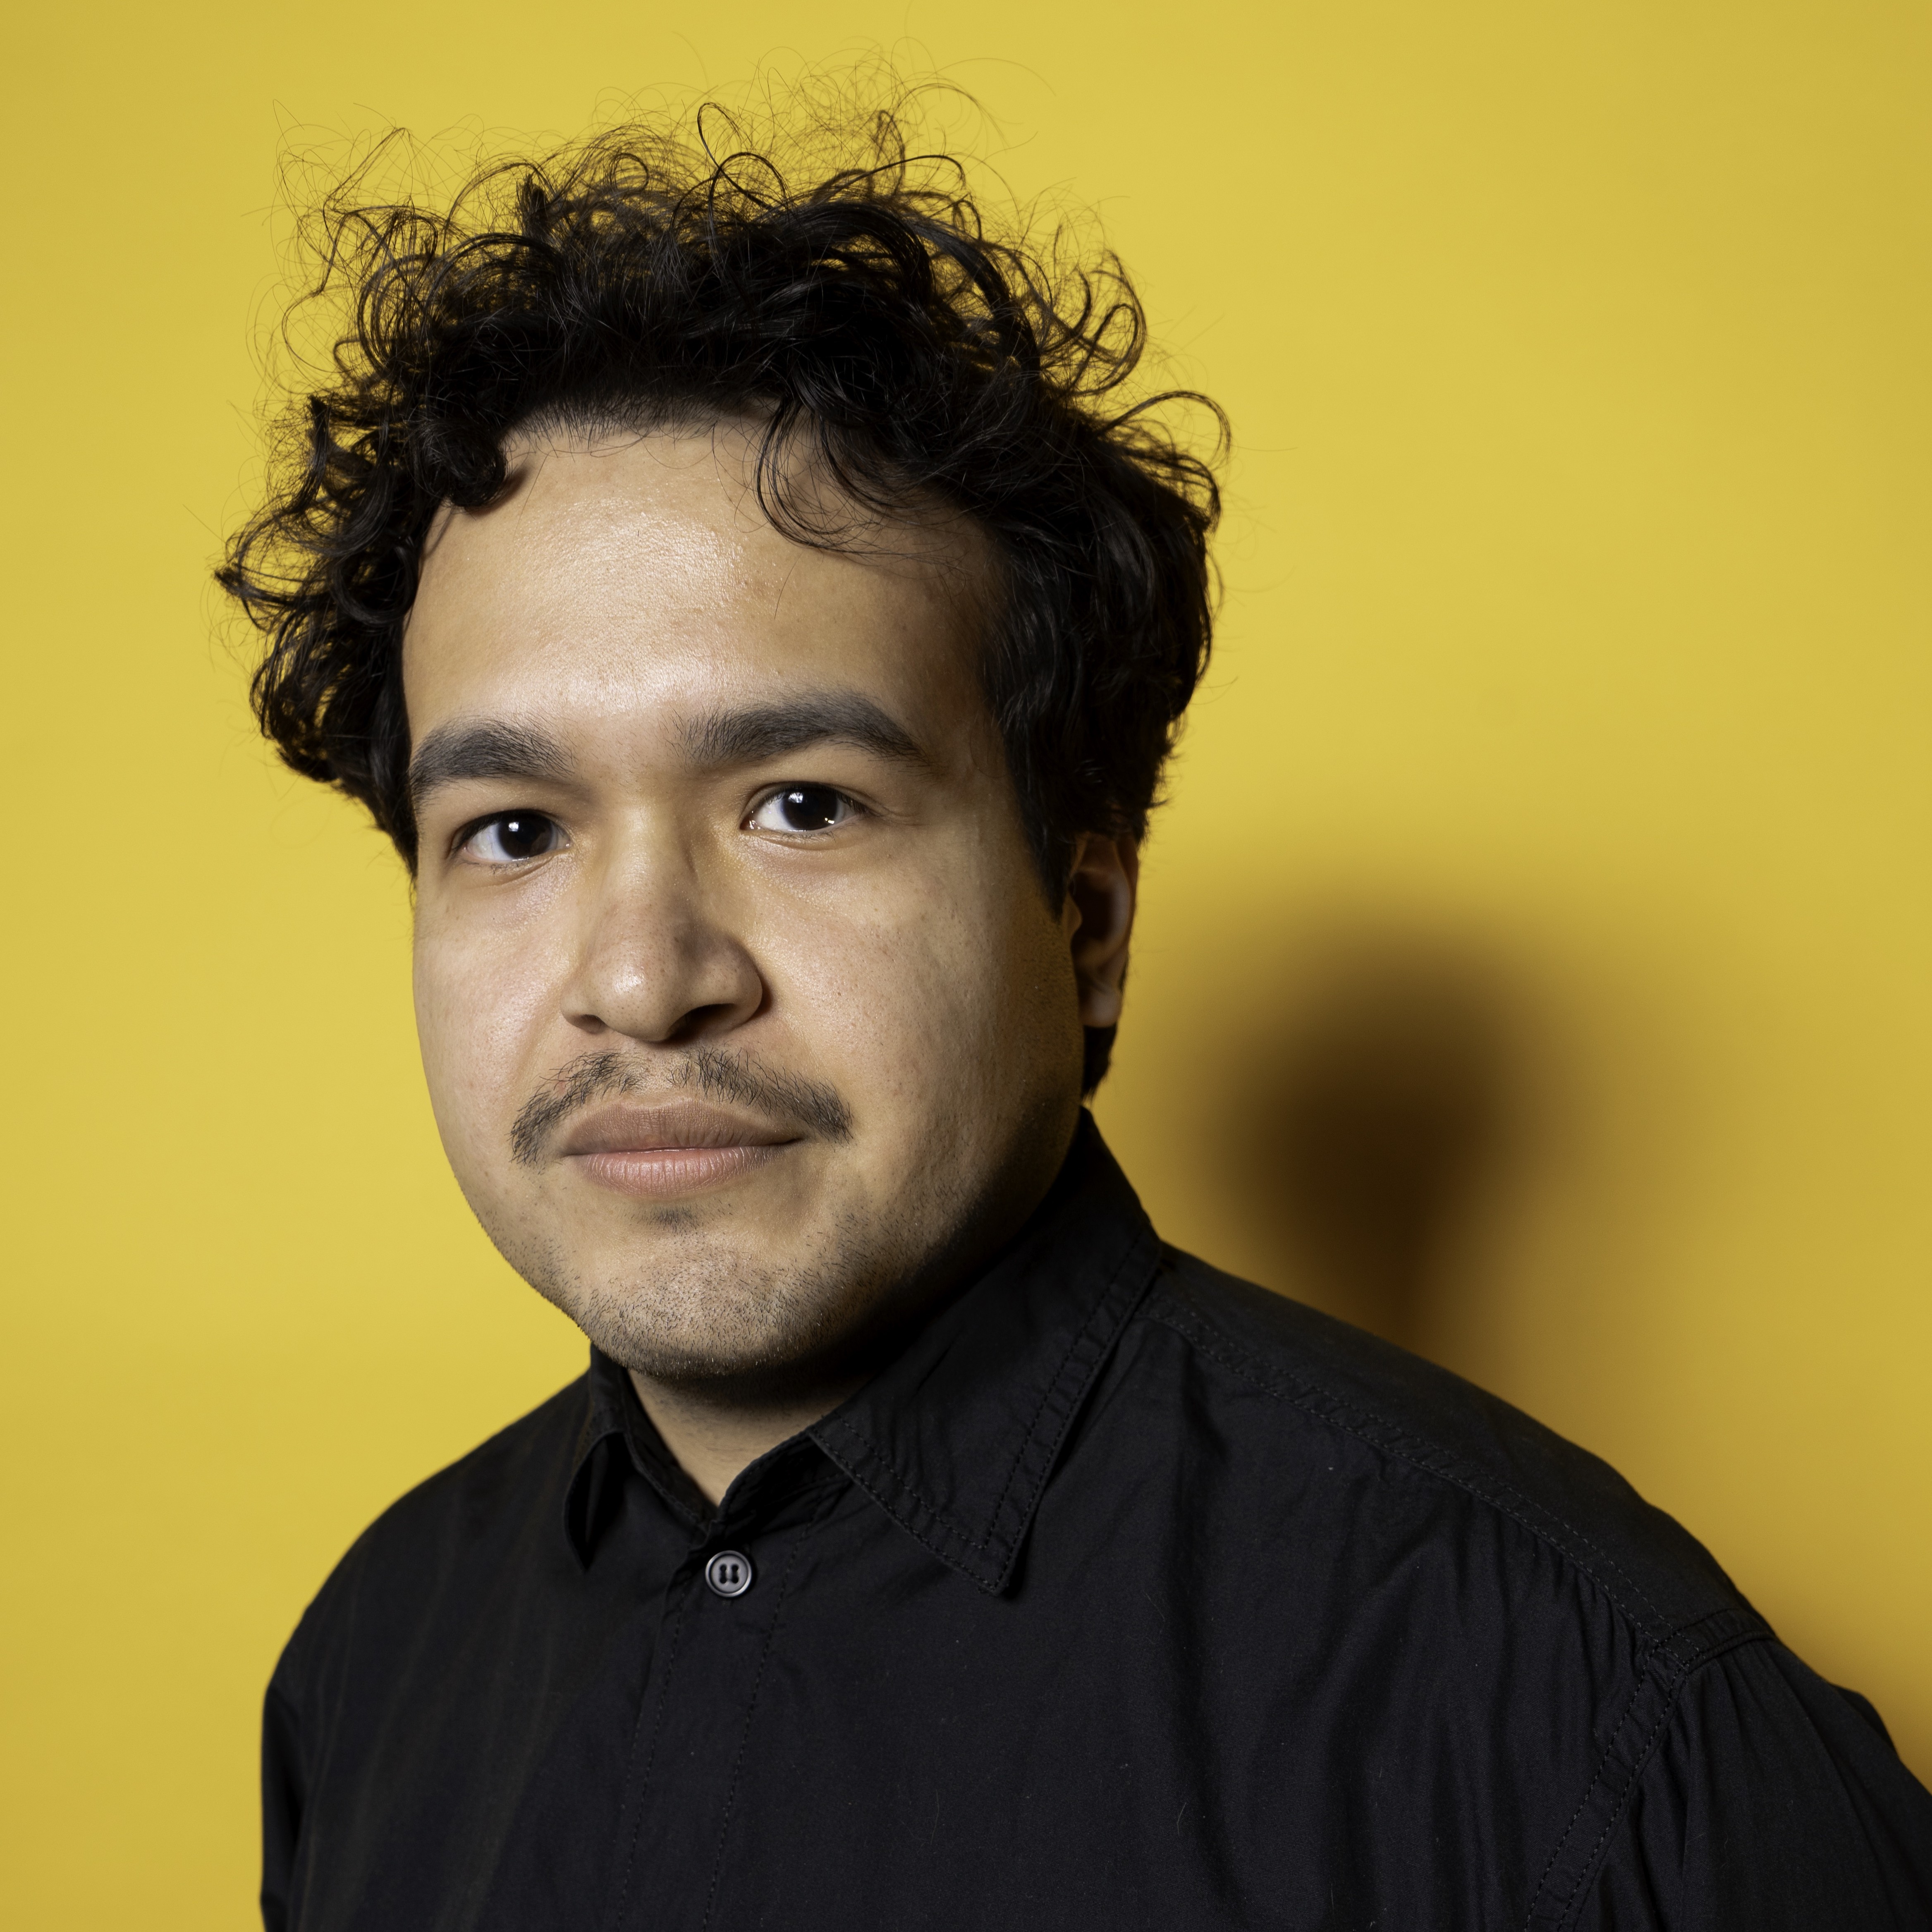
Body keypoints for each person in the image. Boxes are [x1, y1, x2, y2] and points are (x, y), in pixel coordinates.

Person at [221, 102, 1932, 1932]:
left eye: (803, 804)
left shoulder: (1596, 1721)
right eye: (513, 831)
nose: (644, 979)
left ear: (1087, 923)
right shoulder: (370, 1668)